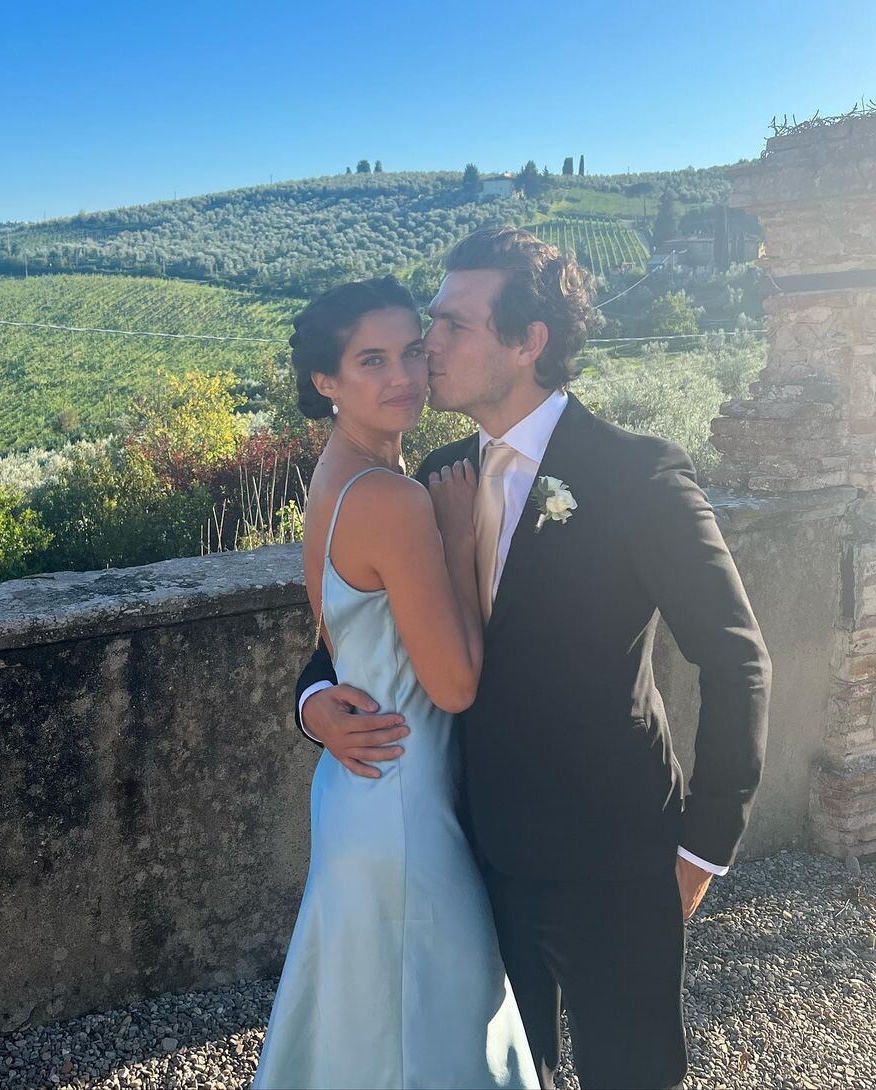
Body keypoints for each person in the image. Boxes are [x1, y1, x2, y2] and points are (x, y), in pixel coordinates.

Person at [295, 227, 772, 1090]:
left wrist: (702, 852)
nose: (428, 347)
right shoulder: (433, 477)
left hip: (613, 857)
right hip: (473, 850)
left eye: (452, 326)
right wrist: (314, 702)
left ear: (527, 342)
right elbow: (361, 624)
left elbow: (737, 662)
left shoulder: (637, 477)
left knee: (633, 1074)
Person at [253, 276, 536, 1090]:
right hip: (407, 806)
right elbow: (454, 686)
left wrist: (313, 705)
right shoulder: (395, 499)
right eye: (371, 360)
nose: (404, 375)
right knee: (441, 1038)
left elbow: (340, 645)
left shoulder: (334, 477)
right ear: (327, 382)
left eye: (412, 351)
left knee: (370, 1035)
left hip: (361, 792)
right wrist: (456, 542)